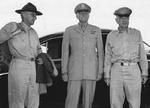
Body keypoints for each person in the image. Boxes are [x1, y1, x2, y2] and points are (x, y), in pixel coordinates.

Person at [0, 2, 43, 108]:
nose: (35, 18)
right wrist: (14, 33)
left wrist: (41, 57)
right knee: (17, 98)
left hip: (33, 66)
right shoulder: (12, 26)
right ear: (23, 14)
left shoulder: (34, 32)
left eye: (35, 15)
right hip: (19, 64)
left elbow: (38, 49)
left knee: (34, 98)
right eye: (33, 15)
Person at [104, 7, 148, 108]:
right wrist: (107, 74)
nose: (125, 21)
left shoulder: (136, 33)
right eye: (121, 18)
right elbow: (107, 56)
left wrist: (144, 72)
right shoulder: (111, 35)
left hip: (133, 69)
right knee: (115, 101)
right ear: (117, 20)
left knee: (135, 102)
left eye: (126, 18)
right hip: (116, 70)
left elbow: (142, 54)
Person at [61, 3, 104, 108]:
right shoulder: (69, 30)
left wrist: (100, 71)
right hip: (74, 69)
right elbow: (65, 51)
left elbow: (101, 52)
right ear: (76, 15)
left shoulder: (96, 30)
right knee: (71, 100)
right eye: (81, 13)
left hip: (91, 70)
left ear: (89, 15)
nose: (83, 15)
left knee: (88, 102)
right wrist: (64, 71)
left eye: (86, 13)